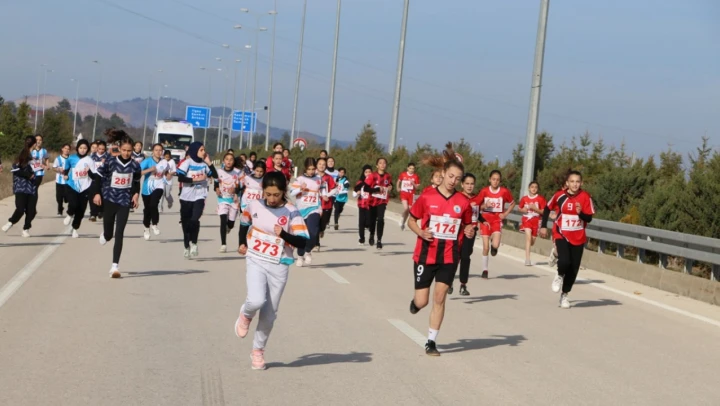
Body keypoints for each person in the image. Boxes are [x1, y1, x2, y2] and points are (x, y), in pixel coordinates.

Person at [234, 172, 310, 370]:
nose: (272, 198)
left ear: (284, 191)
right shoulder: (254, 205)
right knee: (256, 300)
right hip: (256, 259)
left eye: (276, 194)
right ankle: (246, 315)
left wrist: (283, 234)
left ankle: (258, 351)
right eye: (268, 194)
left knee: (269, 314)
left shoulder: (291, 211)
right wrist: (242, 243)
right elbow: (244, 223)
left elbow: (302, 241)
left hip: (279, 264)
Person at [406, 144, 474, 356]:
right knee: (422, 301)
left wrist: (470, 230)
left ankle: (431, 342)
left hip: (449, 257)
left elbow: (468, 225)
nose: (453, 181)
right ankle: (415, 304)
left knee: (440, 298)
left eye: (457, 178)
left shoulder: (463, 202)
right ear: (443, 173)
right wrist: (421, 232)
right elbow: (411, 220)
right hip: (425, 255)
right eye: (451, 176)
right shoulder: (427, 197)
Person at [540, 171, 595, 309]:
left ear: (581, 183)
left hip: (578, 237)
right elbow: (547, 208)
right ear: (567, 183)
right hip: (561, 233)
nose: (575, 184)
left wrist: (580, 213)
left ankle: (564, 295)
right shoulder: (560, 195)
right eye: (572, 181)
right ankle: (559, 275)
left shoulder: (585, 197)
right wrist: (543, 226)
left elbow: (589, 218)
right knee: (565, 261)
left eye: (577, 181)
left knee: (573, 269)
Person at [91, 129, 141, 278]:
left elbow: (136, 182)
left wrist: (136, 195)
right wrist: (97, 193)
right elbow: (98, 177)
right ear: (119, 148)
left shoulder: (135, 166)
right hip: (109, 199)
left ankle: (114, 266)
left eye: (129, 151)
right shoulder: (111, 162)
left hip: (124, 201)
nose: (126, 153)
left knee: (119, 233)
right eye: (124, 150)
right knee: (109, 234)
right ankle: (106, 235)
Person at [176, 141, 218, 259]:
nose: (204, 152)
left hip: (200, 195)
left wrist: (209, 163)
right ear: (195, 151)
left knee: (195, 219)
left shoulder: (204, 165)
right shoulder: (188, 162)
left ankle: (194, 243)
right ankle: (186, 246)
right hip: (186, 197)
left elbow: (215, 175)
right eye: (201, 150)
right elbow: (180, 178)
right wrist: (195, 180)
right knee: (186, 223)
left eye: (204, 150)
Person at [472, 170, 515, 279]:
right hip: (485, 220)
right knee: (485, 247)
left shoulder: (504, 191)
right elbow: (476, 205)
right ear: (490, 180)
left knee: (495, 245)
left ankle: (494, 247)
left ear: (500, 181)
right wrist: (484, 206)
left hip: (497, 220)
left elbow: (512, 203)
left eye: (497, 180)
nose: (495, 181)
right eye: (493, 179)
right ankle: (485, 270)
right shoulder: (484, 191)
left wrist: (505, 214)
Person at [451, 173, 487, 296]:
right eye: (467, 183)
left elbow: (476, 214)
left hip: (470, 232)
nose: (469, 186)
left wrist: (483, 220)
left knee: (465, 257)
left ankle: (463, 284)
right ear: (462, 184)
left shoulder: (477, 199)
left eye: (472, 184)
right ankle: (449, 280)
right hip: (457, 231)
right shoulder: (457, 197)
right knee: (455, 256)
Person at [2, 136, 39, 237]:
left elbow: (37, 171)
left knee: (32, 211)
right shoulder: (22, 155)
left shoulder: (35, 156)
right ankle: (10, 222)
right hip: (21, 186)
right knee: (20, 209)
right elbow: (15, 170)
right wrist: (28, 175)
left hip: (32, 187)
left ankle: (26, 229)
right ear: (34, 144)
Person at [290, 158, 322, 266]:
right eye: (309, 169)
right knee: (302, 235)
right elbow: (292, 193)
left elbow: (321, 193)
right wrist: (300, 189)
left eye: (313, 169)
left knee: (313, 232)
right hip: (301, 210)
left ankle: (308, 250)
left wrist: (320, 207)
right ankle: (300, 256)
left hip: (314, 208)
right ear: (305, 168)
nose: (311, 171)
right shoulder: (300, 179)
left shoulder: (319, 179)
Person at [62, 140, 95, 237]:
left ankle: (75, 228)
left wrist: (89, 172)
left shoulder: (90, 160)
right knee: (73, 203)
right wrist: (65, 175)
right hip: (72, 185)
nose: (82, 150)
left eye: (85, 148)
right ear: (77, 148)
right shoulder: (71, 158)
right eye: (81, 148)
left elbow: (94, 176)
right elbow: (66, 168)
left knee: (81, 209)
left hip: (85, 187)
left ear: (87, 149)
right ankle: (69, 214)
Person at [140, 144, 170, 240]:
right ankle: (146, 228)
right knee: (147, 209)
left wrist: (168, 175)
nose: (158, 152)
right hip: (147, 188)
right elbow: (138, 172)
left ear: (162, 152)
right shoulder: (147, 161)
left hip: (159, 186)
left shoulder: (164, 162)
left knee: (154, 204)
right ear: (153, 151)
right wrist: (149, 170)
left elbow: (166, 172)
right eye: (156, 150)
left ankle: (155, 224)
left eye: (160, 150)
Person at [215, 152, 242, 253]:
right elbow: (216, 183)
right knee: (222, 221)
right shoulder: (219, 172)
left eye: (231, 159)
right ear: (223, 161)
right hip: (222, 199)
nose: (229, 161)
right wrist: (217, 189)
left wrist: (235, 190)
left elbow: (240, 187)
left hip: (233, 201)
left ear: (233, 162)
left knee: (230, 224)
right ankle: (223, 244)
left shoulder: (237, 172)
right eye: (227, 159)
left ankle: (229, 227)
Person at [365, 157, 393, 249]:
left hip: (382, 201)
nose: (382, 165)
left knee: (380, 219)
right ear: (377, 165)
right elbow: (366, 188)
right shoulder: (372, 176)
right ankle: (372, 234)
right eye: (380, 163)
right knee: (372, 220)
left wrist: (390, 188)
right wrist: (376, 189)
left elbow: (390, 184)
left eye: (384, 163)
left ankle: (379, 240)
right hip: (372, 201)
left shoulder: (388, 176)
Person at [519, 181, 547, 266]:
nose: (534, 189)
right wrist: (523, 210)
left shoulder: (541, 199)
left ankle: (529, 246)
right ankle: (527, 259)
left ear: (537, 189)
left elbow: (544, 212)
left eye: (535, 187)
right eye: (532, 187)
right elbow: (519, 208)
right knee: (528, 237)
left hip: (536, 221)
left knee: (532, 242)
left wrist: (535, 208)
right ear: (529, 188)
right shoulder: (524, 198)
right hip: (527, 219)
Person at [316, 157, 337, 247]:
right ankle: (316, 243)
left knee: (323, 223)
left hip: (327, 204)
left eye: (323, 164)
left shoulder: (328, 177)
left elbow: (335, 189)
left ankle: (322, 230)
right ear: (316, 165)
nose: (321, 166)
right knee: (316, 224)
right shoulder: (313, 177)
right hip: (315, 204)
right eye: (320, 164)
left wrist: (327, 195)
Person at [398, 162, 421, 231]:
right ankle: (401, 219)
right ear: (407, 168)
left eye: (413, 169)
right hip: (404, 193)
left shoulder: (416, 176)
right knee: (406, 208)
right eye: (410, 168)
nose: (411, 170)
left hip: (411, 194)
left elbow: (417, 187)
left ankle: (403, 223)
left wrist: (413, 183)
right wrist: (397, 187)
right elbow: (398, 181)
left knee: (409, 210)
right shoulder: (403, 174)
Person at [88, 141, 108, 222]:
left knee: (102, 196)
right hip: (93, 179)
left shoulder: (107, 157)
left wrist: (103, 163)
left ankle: (101, 211)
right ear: (97, 148)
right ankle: (93, 214)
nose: (101, 151)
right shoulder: (92, 156)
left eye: (103, 149)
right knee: (92, 196)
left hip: (103, 180)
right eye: (99, 149)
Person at [354, 165, 373, 245]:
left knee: (369, 221)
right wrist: (357, 192)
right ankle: (361, 238)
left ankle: (368, 227)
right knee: (361, 222)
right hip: (361, 204)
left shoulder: (374, 182)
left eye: (369, 172)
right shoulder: (360, 182)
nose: (368, 174)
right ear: (363, 173)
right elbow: (355, 190)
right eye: (366, 172)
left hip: (371, 204)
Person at [52, 144, 71, 216]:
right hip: (59, 181)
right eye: (65, 148)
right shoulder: (58, 159)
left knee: (68, 198)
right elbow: (54, 168)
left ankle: (70, 210)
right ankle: (60, 210)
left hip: (68, 181)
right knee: (59, 198)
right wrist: (58, 169)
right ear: (62, 149)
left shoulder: (71, 158)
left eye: (68, 149)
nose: (66, 150)